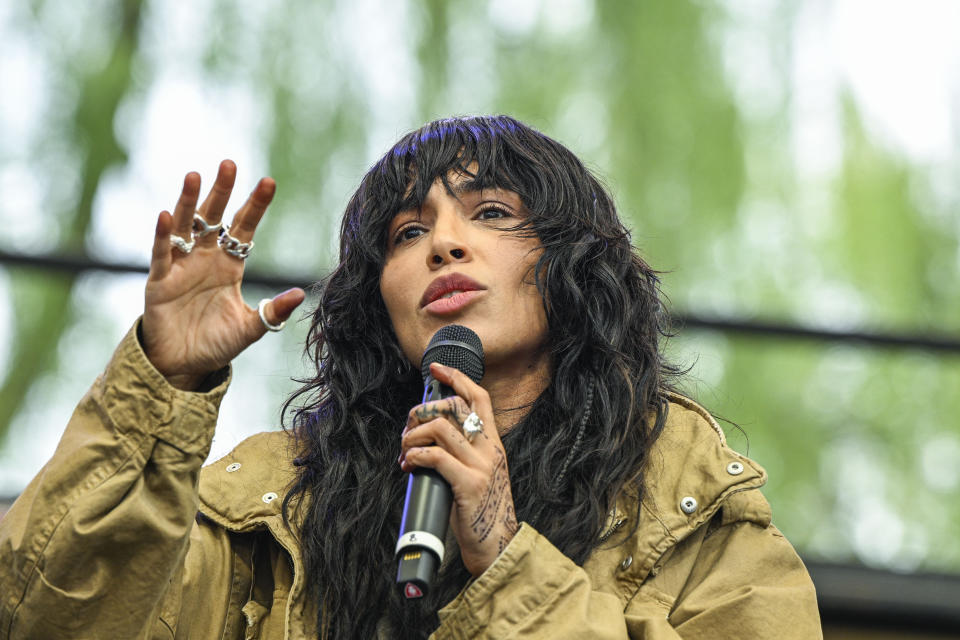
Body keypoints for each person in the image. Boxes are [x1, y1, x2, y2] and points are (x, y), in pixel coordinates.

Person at [0, 115, 822, 638]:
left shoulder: (700, 513)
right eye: (406, 231)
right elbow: (44, 618)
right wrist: (162, 386)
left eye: (492, 213)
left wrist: (503, 556)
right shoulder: (266, 507)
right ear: (377, 302)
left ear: (576, 265)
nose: (443, 245)